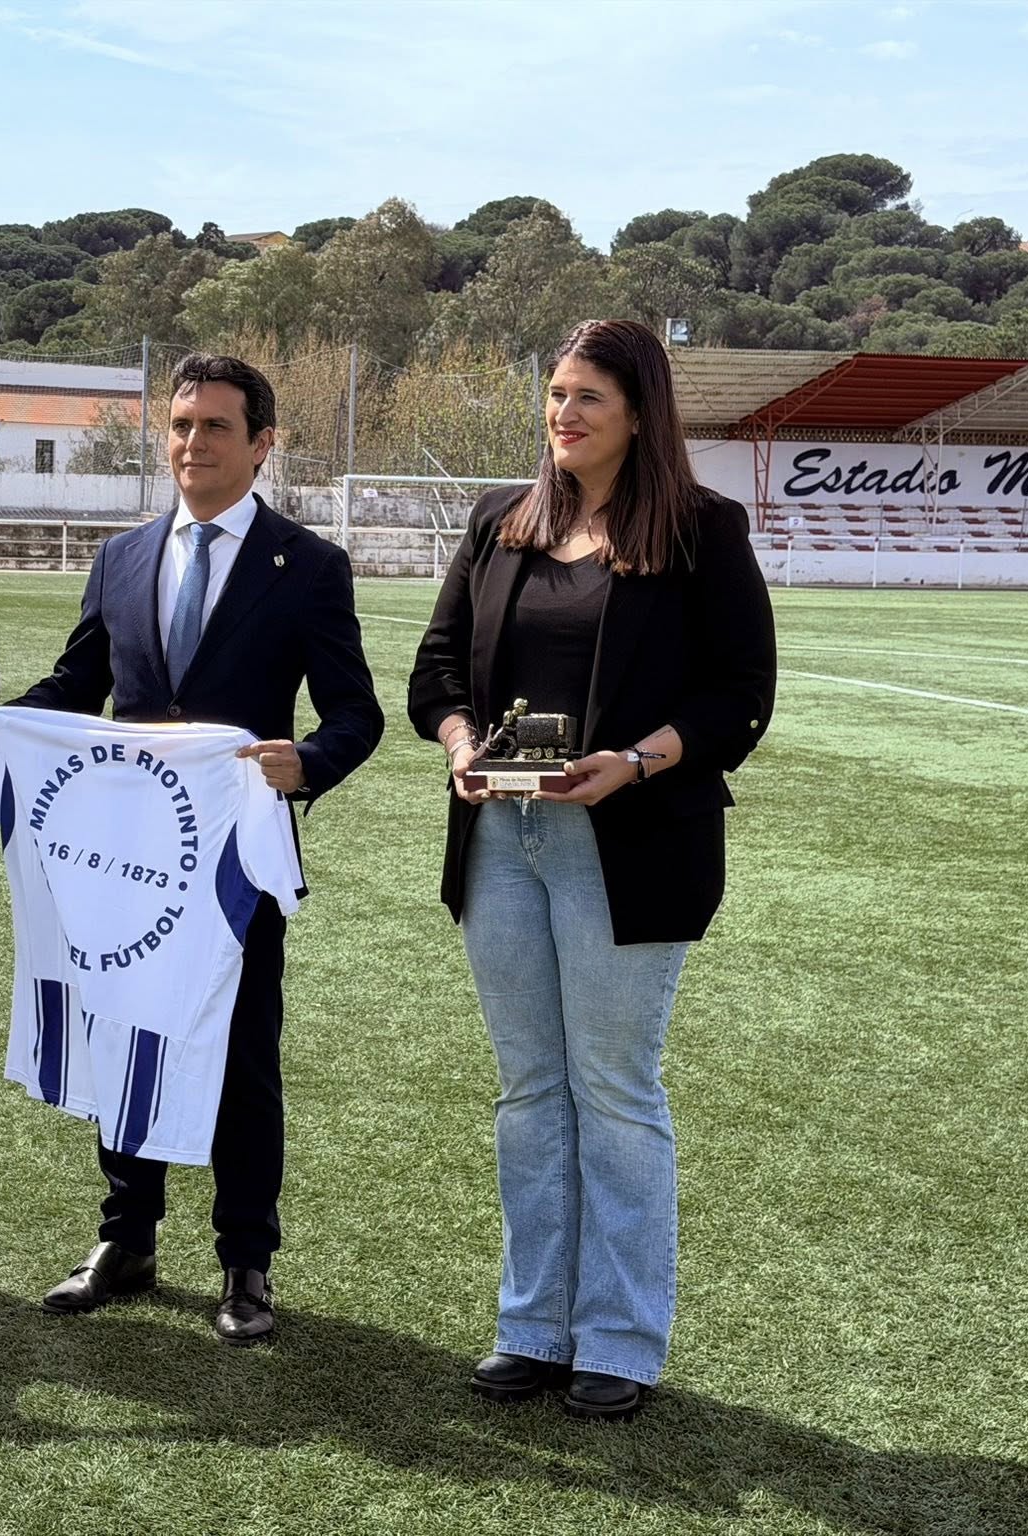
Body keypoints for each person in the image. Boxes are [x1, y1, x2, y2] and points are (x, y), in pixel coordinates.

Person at [0, 353, 383, 1342]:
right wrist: (1, 722)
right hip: (128, 857)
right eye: (181, 425)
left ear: (262, 443)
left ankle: (245, 1262)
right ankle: (127, 1239)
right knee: (125, 1031)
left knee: (242, 1053)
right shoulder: (121, 558)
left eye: (216, 427)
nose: (193, 443)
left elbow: (354, 713)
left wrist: (307, 763)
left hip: (235, 860)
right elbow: (76, 688)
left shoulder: (307, 566)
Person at [406, 319, 776, 1419]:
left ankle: (617, 1340)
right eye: (557, 394)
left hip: (629, 845)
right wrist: (461, 747)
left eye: (588, 398)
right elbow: (435, 671)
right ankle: (532, 1327)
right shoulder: (500, 521)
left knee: (611, 1090)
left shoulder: (703, 529)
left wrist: (634, 762)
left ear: (639, 413)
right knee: (530, 1089)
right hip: (501, 844)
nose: (563, 414)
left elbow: (739, 696)